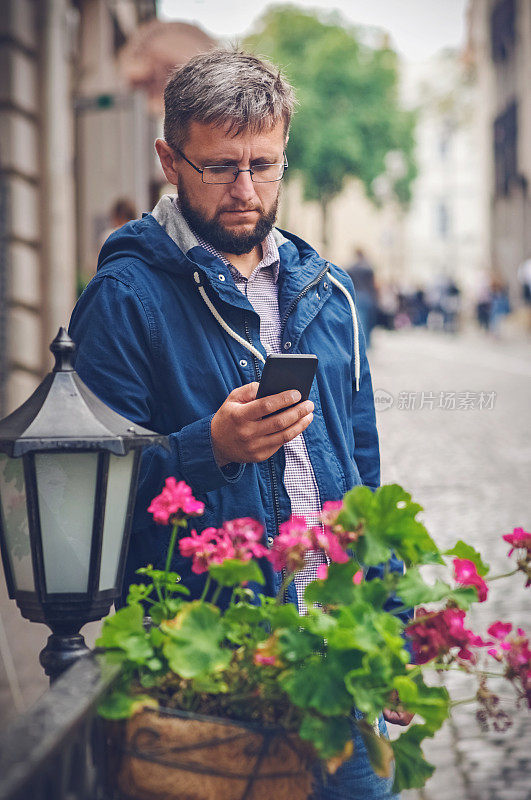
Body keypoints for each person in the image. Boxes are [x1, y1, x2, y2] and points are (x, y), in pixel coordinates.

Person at [69, 50, 411, 799]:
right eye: (221, 166)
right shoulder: (124, 297)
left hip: (336, 661)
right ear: (170, 158)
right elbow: (82, 496)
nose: (245, 191)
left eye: (264, 164)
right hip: (209, 677)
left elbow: (363, 483)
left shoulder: (330, 293)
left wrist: (391, 626)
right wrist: (207, 449)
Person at [346, 248, 378, 347]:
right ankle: (367, 342)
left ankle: (361, 343)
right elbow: (373, 284)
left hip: (357, 295)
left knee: (360, 320)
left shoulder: (351, 268)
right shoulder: (369, 267)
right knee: (368, 320)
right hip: (368, 296)